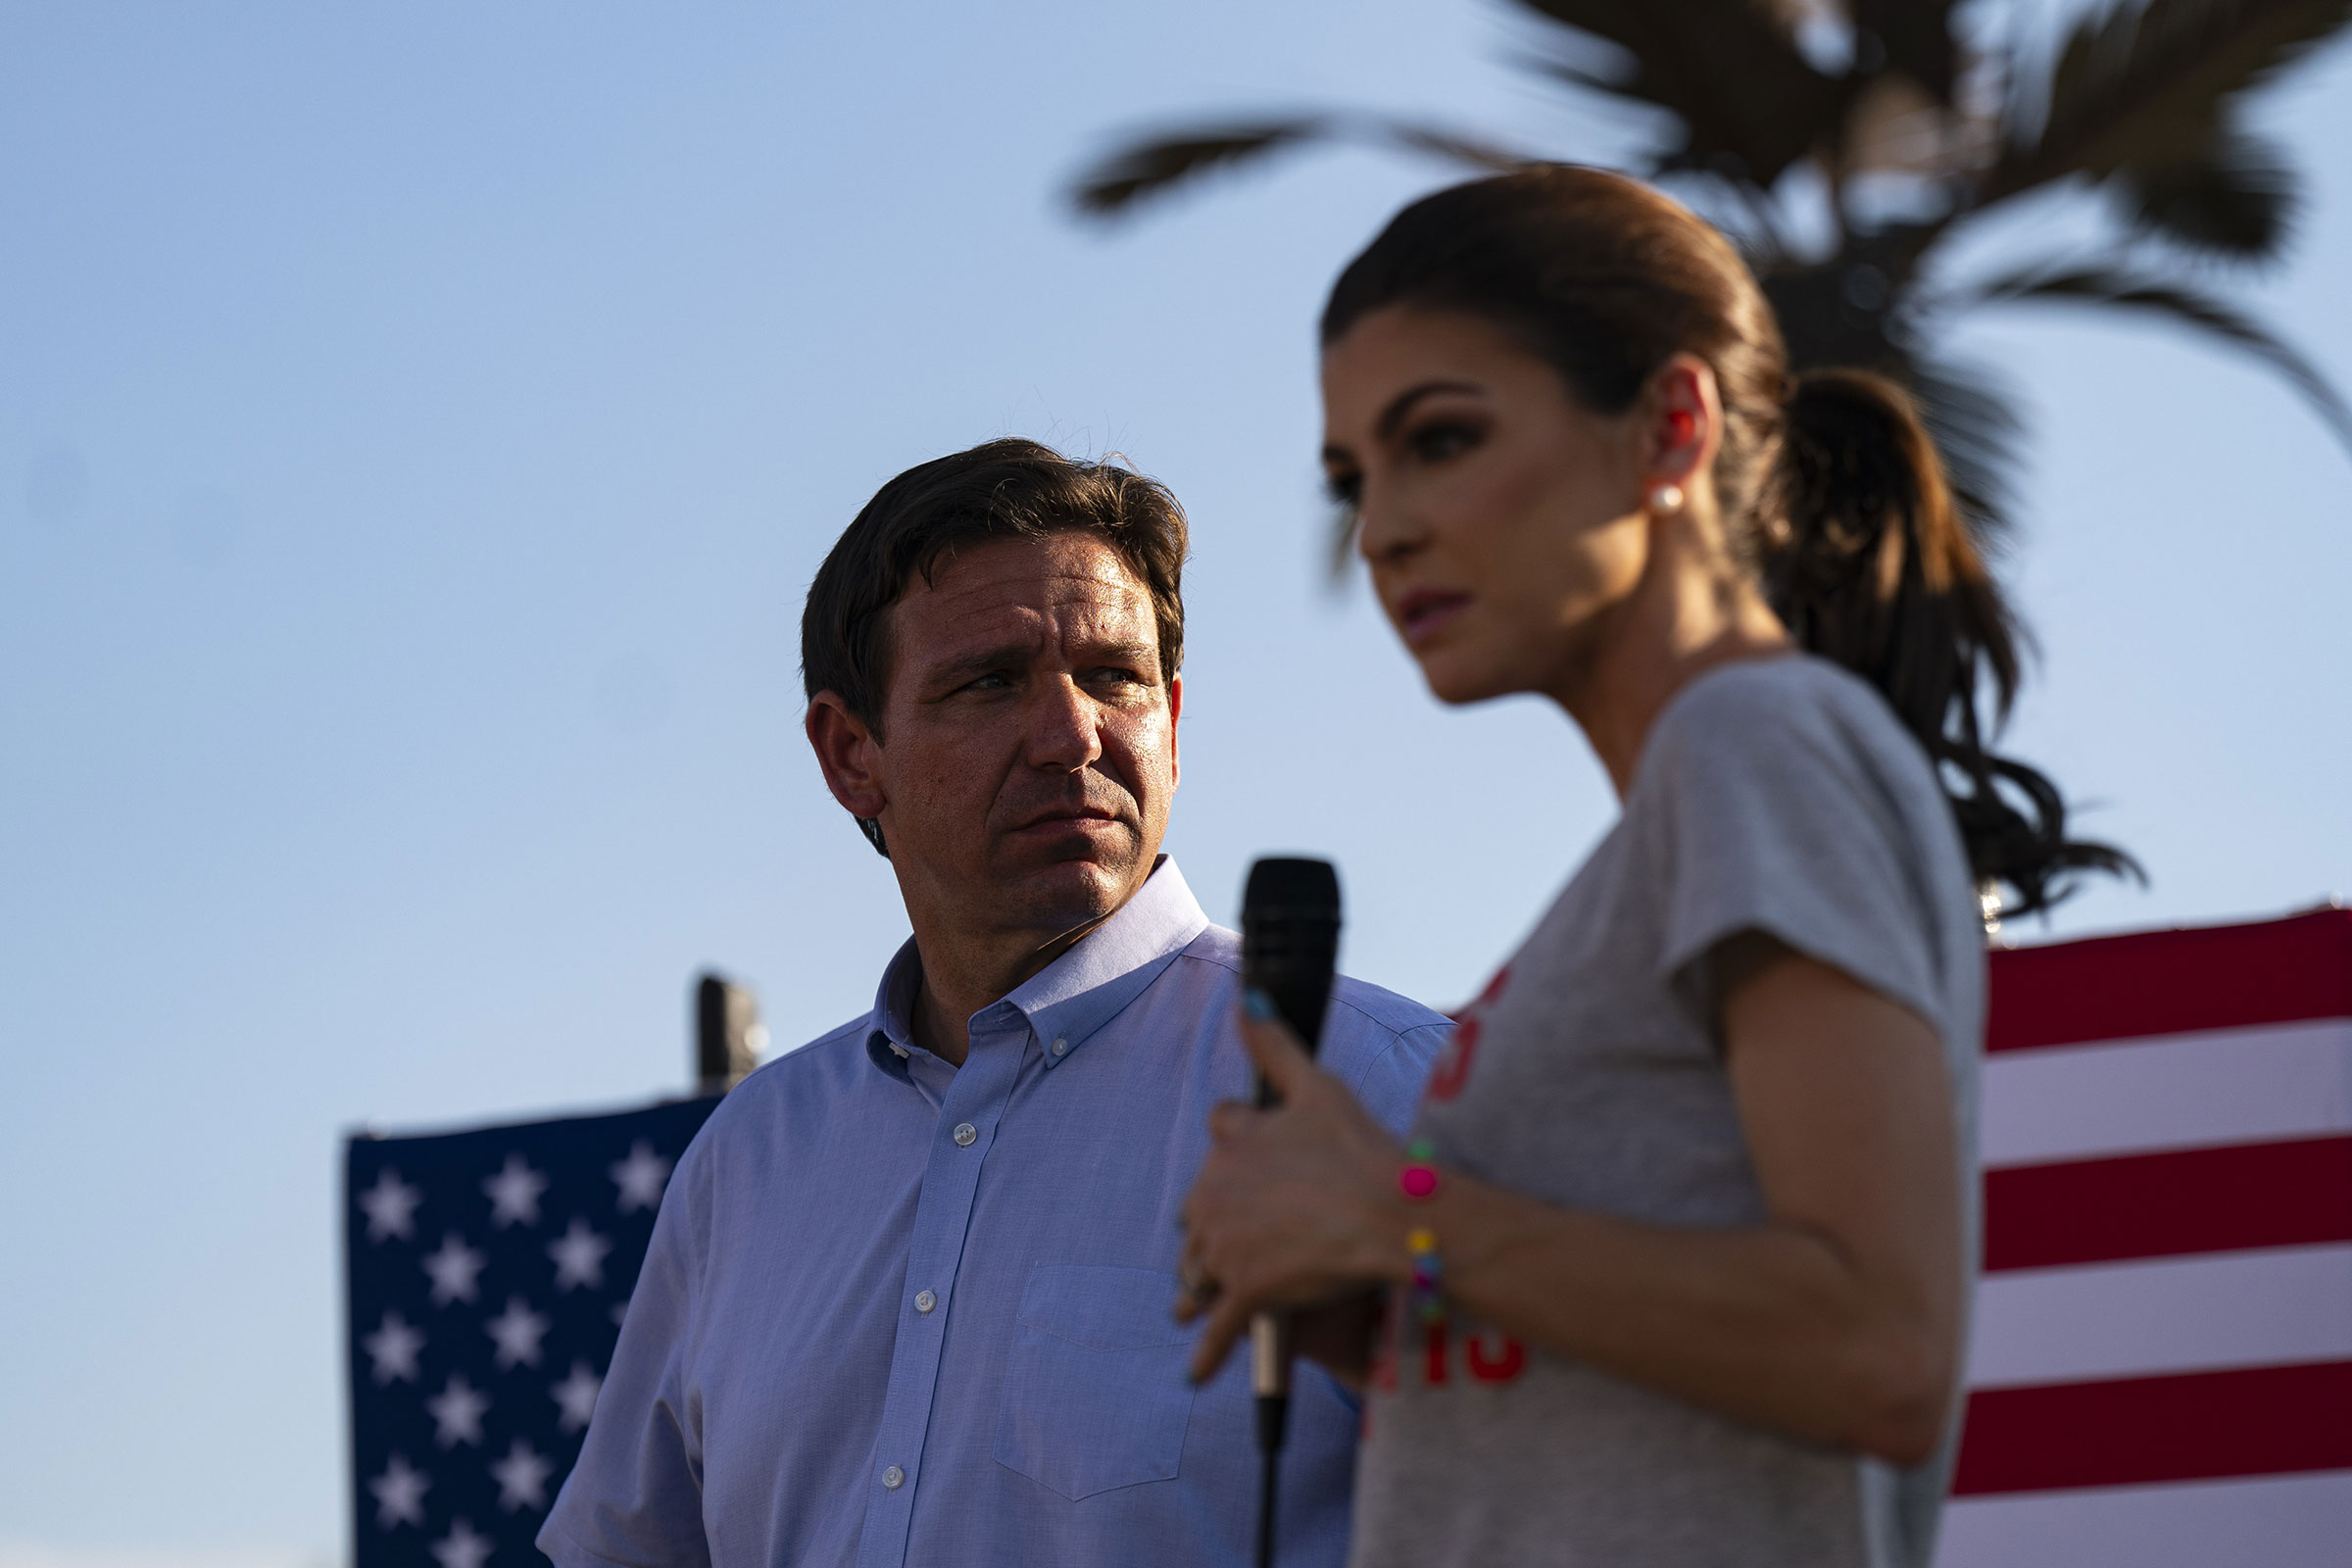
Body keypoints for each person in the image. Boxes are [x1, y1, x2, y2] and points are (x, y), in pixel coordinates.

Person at [1174, 168, 2132, 1568]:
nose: (1380, 529)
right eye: (1351, 478)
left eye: (1439, 440)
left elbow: (1877, 1344)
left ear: (1671, 428)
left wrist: (1402, 1215)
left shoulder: (1756, 741)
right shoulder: (1674, 823)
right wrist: (1381, 1311)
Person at [540, 438, 1448, 1568]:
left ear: (1172, 714)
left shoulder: (1398, 1091)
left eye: (1115, 676)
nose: (1073, 735)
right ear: (851, 754)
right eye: (990, 682)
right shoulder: (746, 1167)